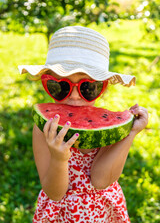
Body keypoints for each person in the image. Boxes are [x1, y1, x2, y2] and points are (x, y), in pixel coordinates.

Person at [18, 26, 148, 223]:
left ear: (102, 88)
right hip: (59, 214)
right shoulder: (43, 128)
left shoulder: (108, 129)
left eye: (88, 87)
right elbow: (54, 193)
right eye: (61, 86)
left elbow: (101, 180)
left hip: (104, 211)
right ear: (46, 84)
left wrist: (129, 133)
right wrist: (59, 159)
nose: (75, 96)